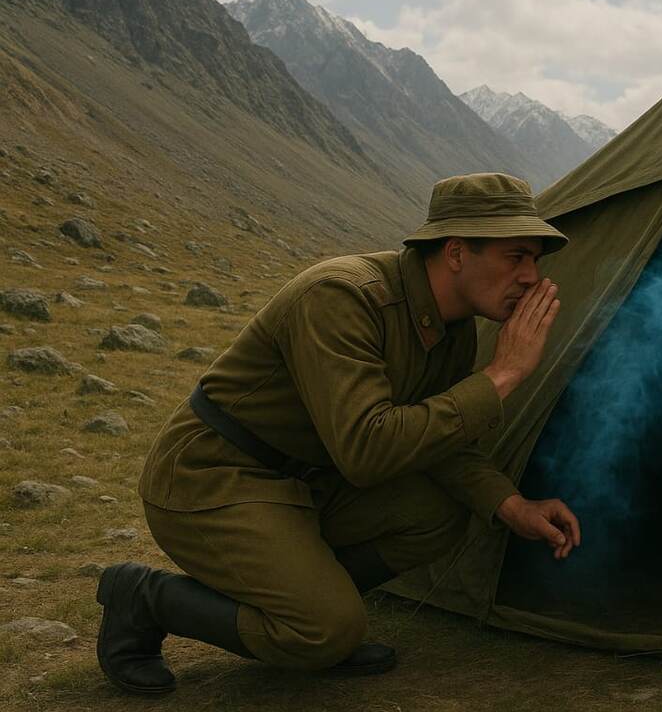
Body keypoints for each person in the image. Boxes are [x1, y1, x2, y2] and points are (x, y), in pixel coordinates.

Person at [95, 172, 582, 695]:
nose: (532, 276)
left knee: (437, 514)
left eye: (535, 259)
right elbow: (367, 451)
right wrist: (502, 374)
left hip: (306, 483)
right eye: (517, 257)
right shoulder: (342, 297)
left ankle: (315, 602)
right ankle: (143, 595)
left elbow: (436, 440)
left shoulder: (453, 327)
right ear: (457, 252)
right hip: (216, 477)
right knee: (324, 632)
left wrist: (512, 506)